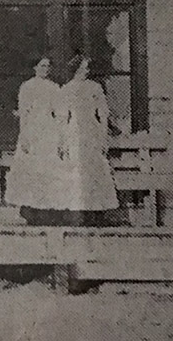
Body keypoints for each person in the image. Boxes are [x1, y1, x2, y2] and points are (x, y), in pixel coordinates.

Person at [57, 55, 119, 226]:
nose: (86, 71)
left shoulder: (95, 88)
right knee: (77, 173)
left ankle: (98, 213)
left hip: (92, 132)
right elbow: (62, 118)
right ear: (75, 70)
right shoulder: (67, 89)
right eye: (83, 68)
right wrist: (62, 141)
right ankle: (78, 215)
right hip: (74, 133)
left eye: (87, 68)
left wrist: (103, 137)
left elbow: (103, 114)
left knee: (95, 171)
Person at [6, 55, 66, 226]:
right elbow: (24, 113)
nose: (45, 69)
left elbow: (60, 113)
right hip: (32, 131)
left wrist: (60, 137)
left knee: (48, 169)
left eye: (48, 66)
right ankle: (29, 210)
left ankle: (48, 211)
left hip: (49, 131)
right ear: (35, 67)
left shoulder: (54, 87)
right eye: (42, 65)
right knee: (30, 169)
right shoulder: (27, 87)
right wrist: (24, 136)